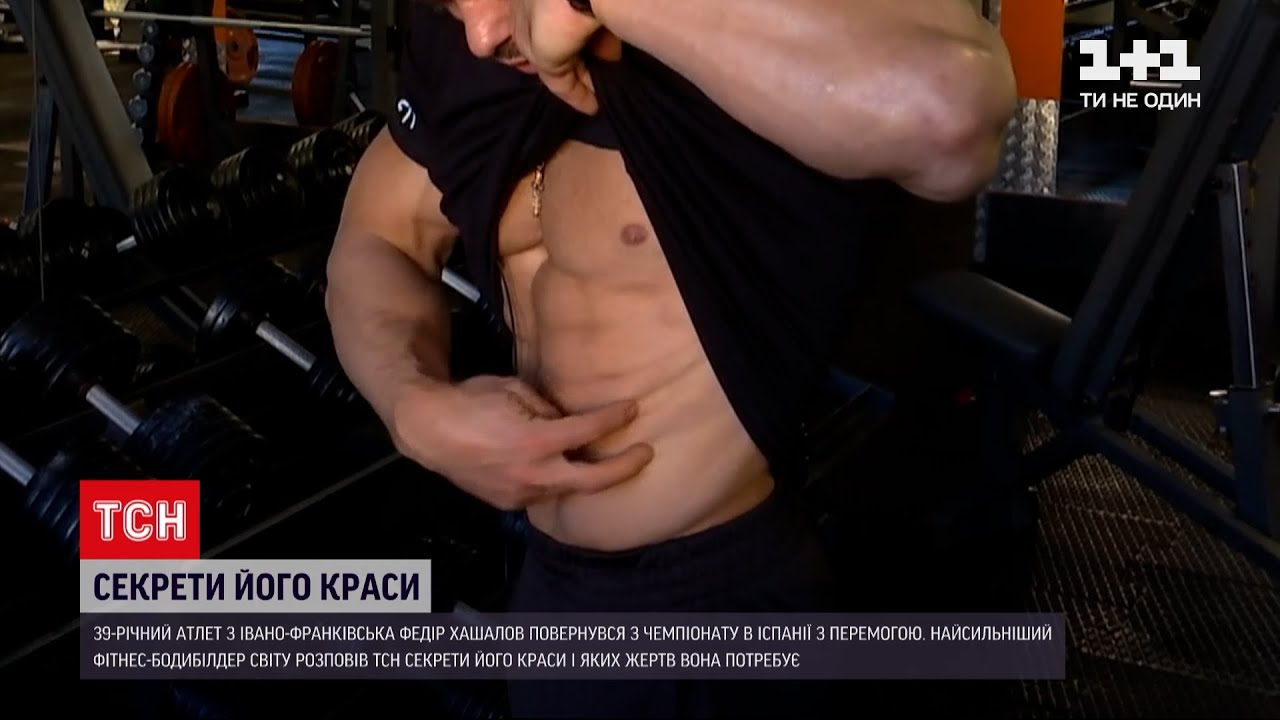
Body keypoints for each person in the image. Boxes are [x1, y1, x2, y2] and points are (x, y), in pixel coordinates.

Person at [325, 0, 1015, 716]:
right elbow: (379, 235)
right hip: (550, 588)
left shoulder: (744, 33)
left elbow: (949, 118)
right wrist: (410, 404)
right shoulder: (470, 52)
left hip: (719, 602)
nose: (479, 33)